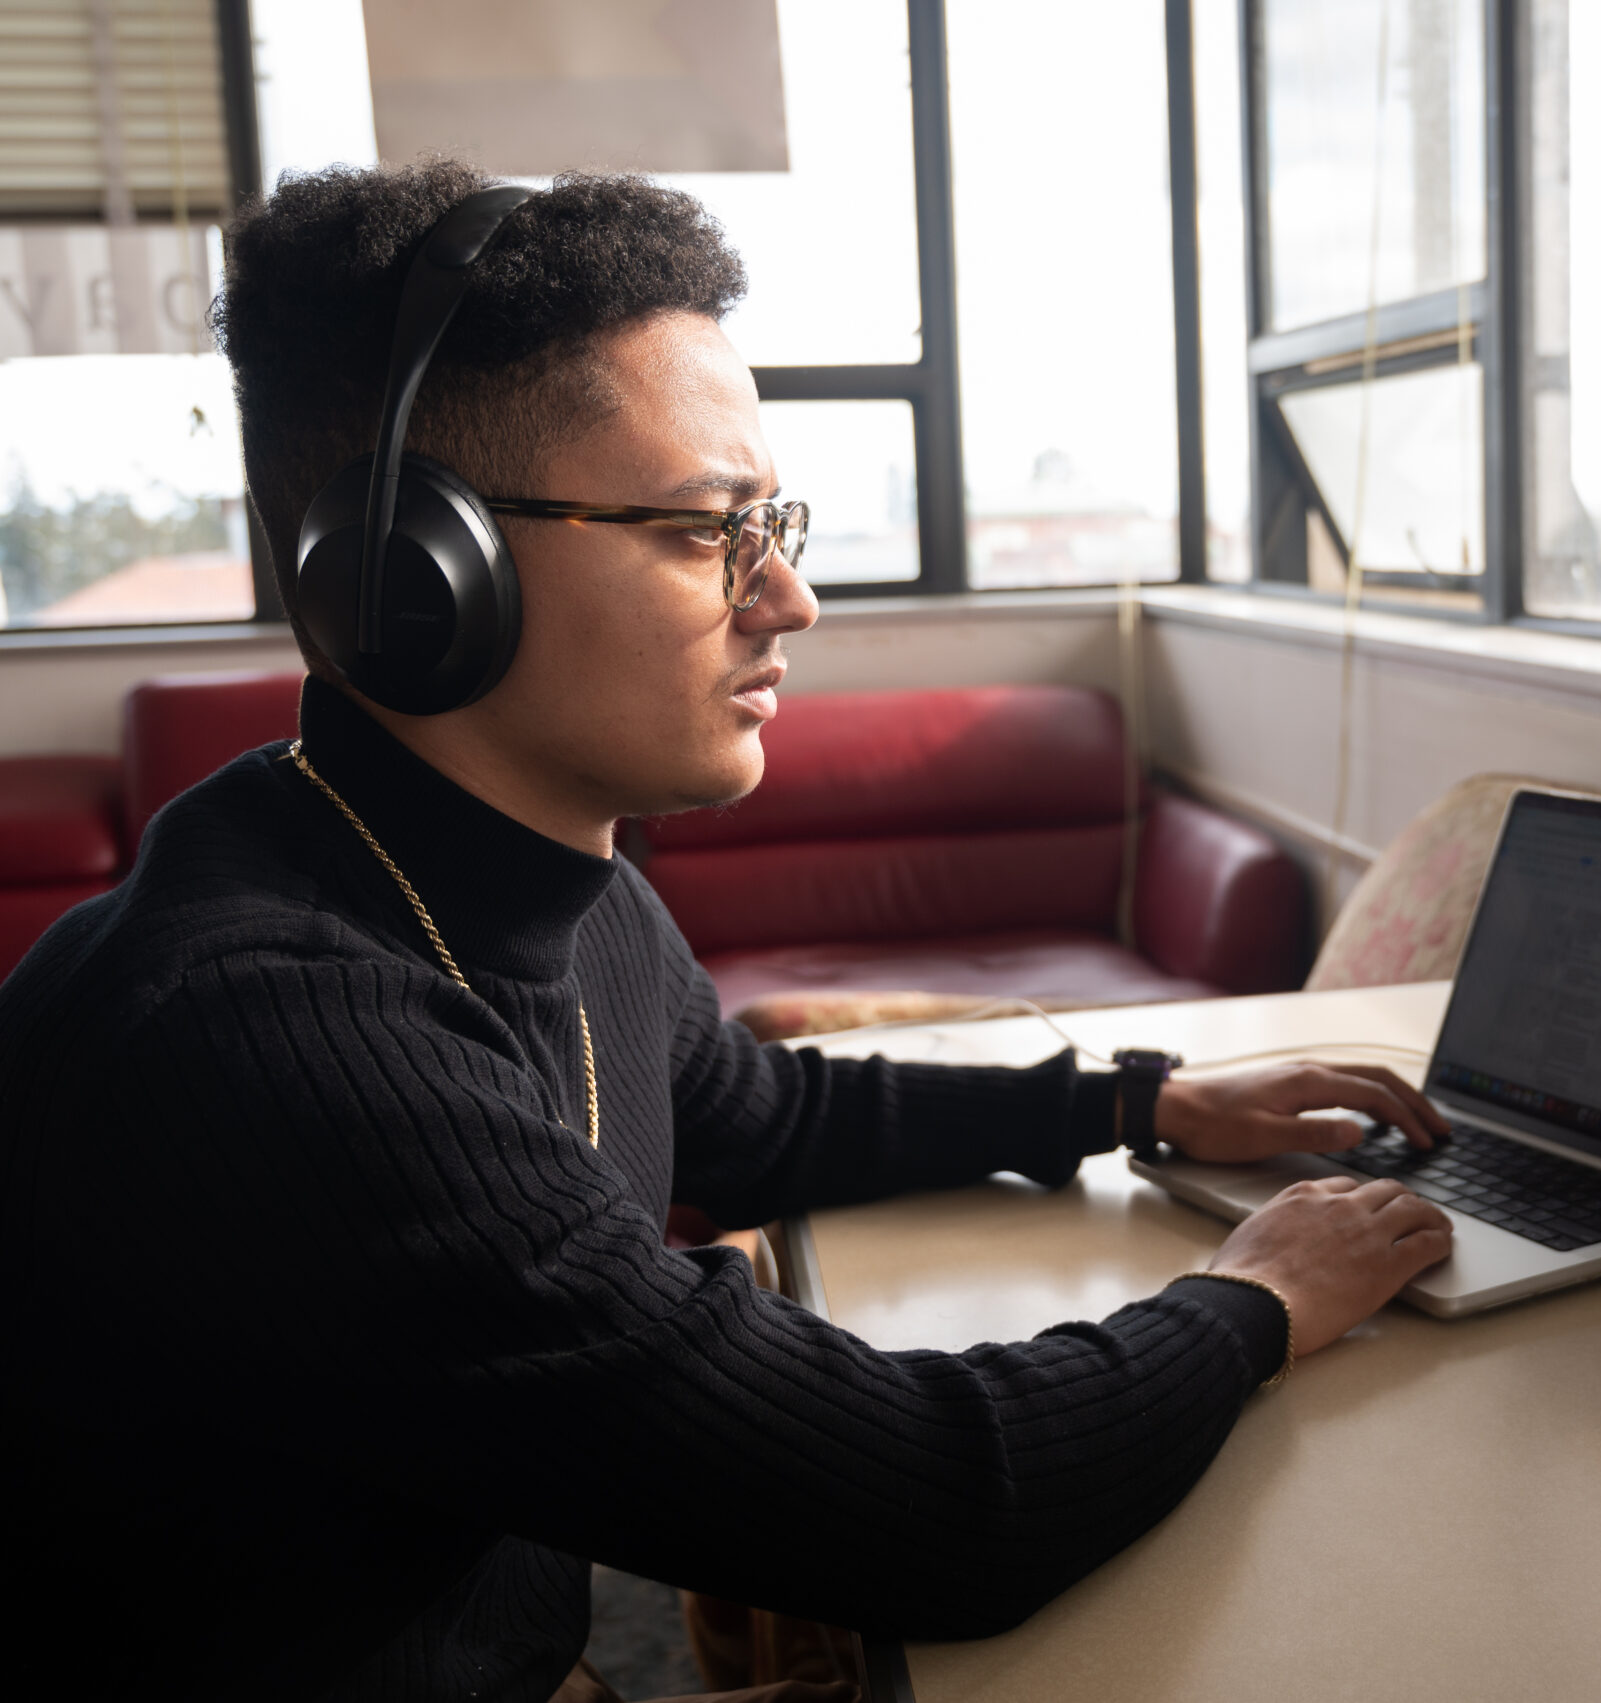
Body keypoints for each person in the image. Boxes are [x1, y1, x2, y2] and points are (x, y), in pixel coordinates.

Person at [0, 159, 1452, 1702]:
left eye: (777, 520)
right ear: (416, 579)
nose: (792, 600)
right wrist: (1258, 1297)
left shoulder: (547, 874)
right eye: (708, 533)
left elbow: (760, 1114)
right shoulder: (276, 1036)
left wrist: (1133, 1100)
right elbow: (940, 1506)